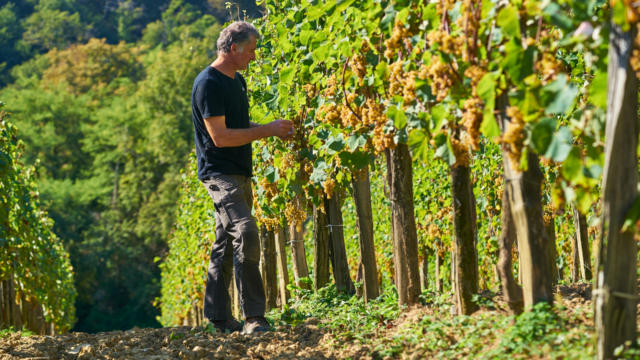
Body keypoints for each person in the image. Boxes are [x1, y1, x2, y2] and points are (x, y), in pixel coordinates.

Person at [191, 21, 293, 335]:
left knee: (224, 242)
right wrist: (267, 131)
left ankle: (220, 318)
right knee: (246, 230)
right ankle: (254, 317)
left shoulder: (237, 81)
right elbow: (219, 137)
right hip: (219, 173)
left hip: (239, 171)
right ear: (233, 48)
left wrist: (270, 128)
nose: (254, 56)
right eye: (250, 50)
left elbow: (237, 123)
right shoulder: (209, 82)